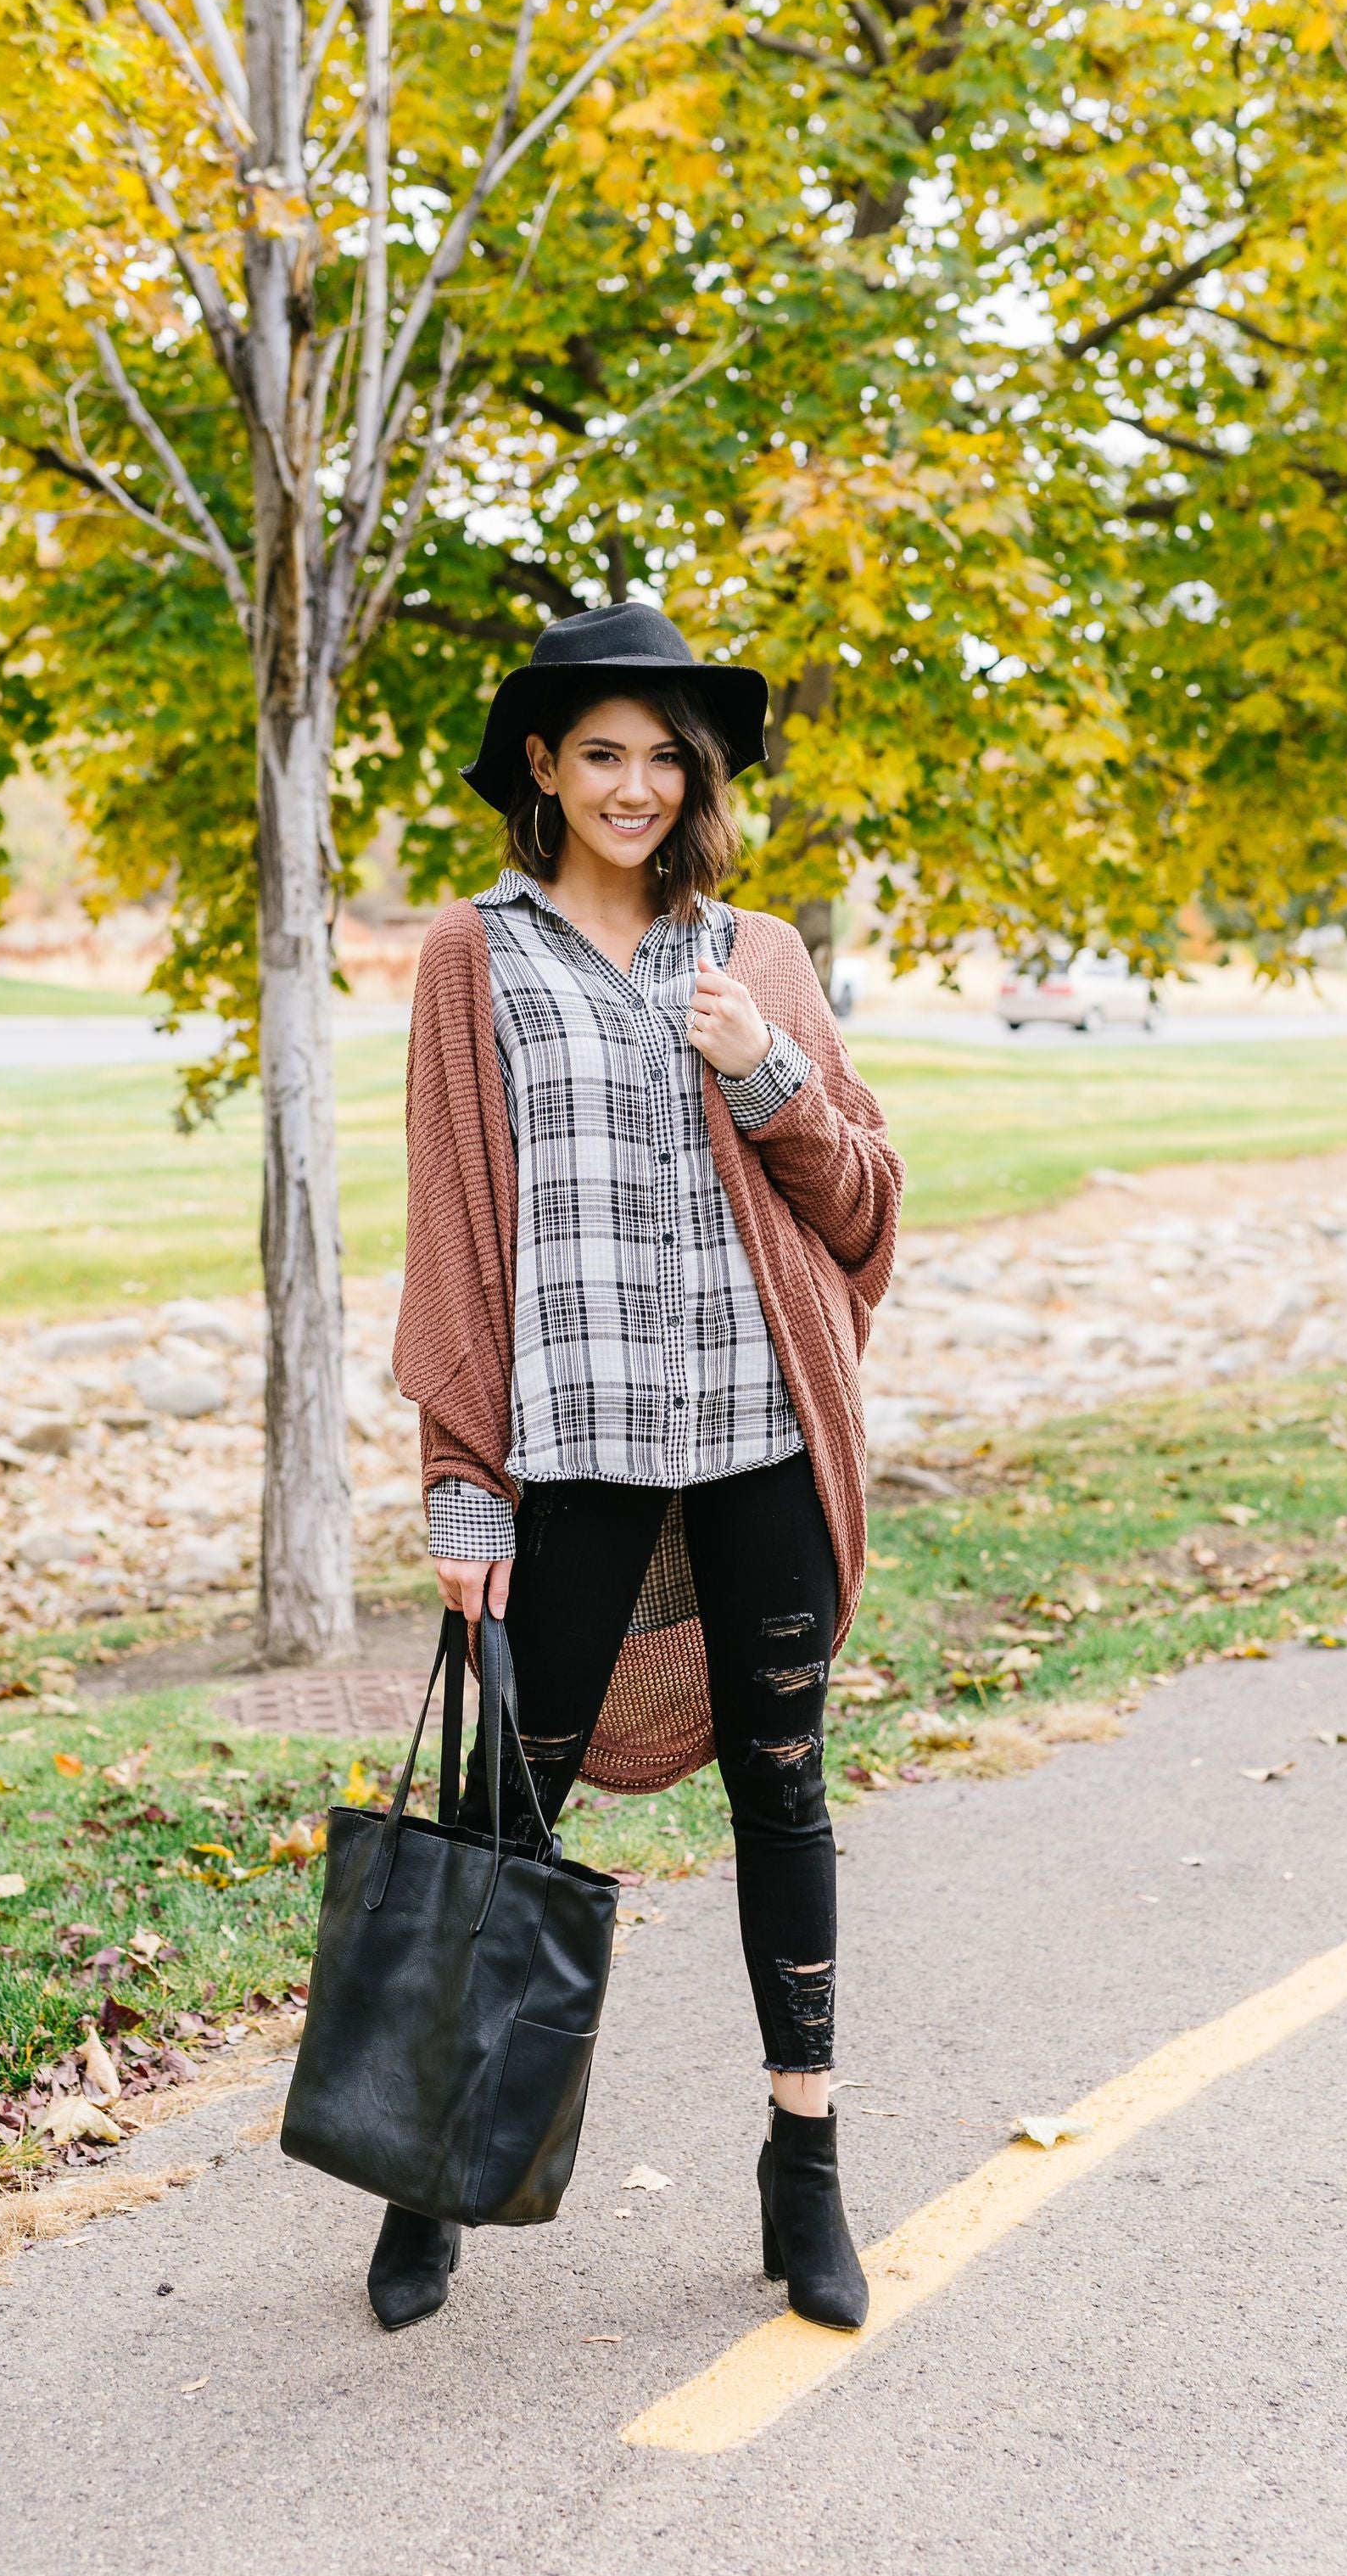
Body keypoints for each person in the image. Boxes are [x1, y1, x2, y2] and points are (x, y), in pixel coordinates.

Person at [383, 602, 903, 2334]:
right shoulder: (477, 956)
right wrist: (463, 1480)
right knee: (504, 1811)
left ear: (699, 777)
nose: (631, 784)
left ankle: (804, 2169)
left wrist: (768, 1083)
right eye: (599, 751)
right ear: (541, 766)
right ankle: (440, 2156)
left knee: (785, 1791)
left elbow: (863, 1210)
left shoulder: (756, 959)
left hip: (759, 1435)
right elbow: (455, 1230)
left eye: (662, 756)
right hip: (575, 1452)